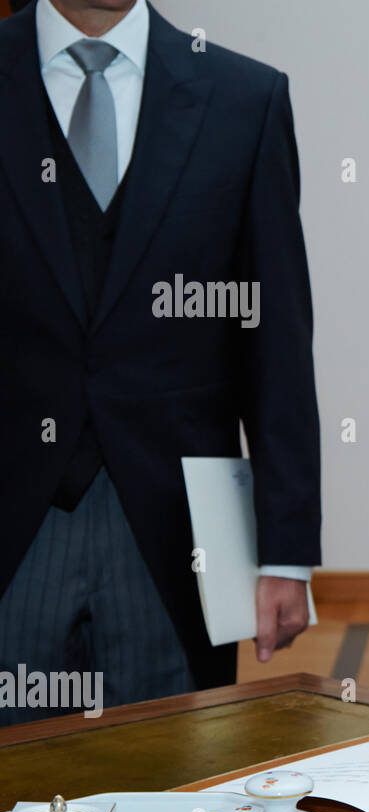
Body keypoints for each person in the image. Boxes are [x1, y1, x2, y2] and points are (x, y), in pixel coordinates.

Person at [0, 0, 320, 724]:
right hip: (14, 530)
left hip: (178, 542)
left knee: (172, 805)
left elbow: (274, 339)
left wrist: (285, 552)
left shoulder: (245, 99)